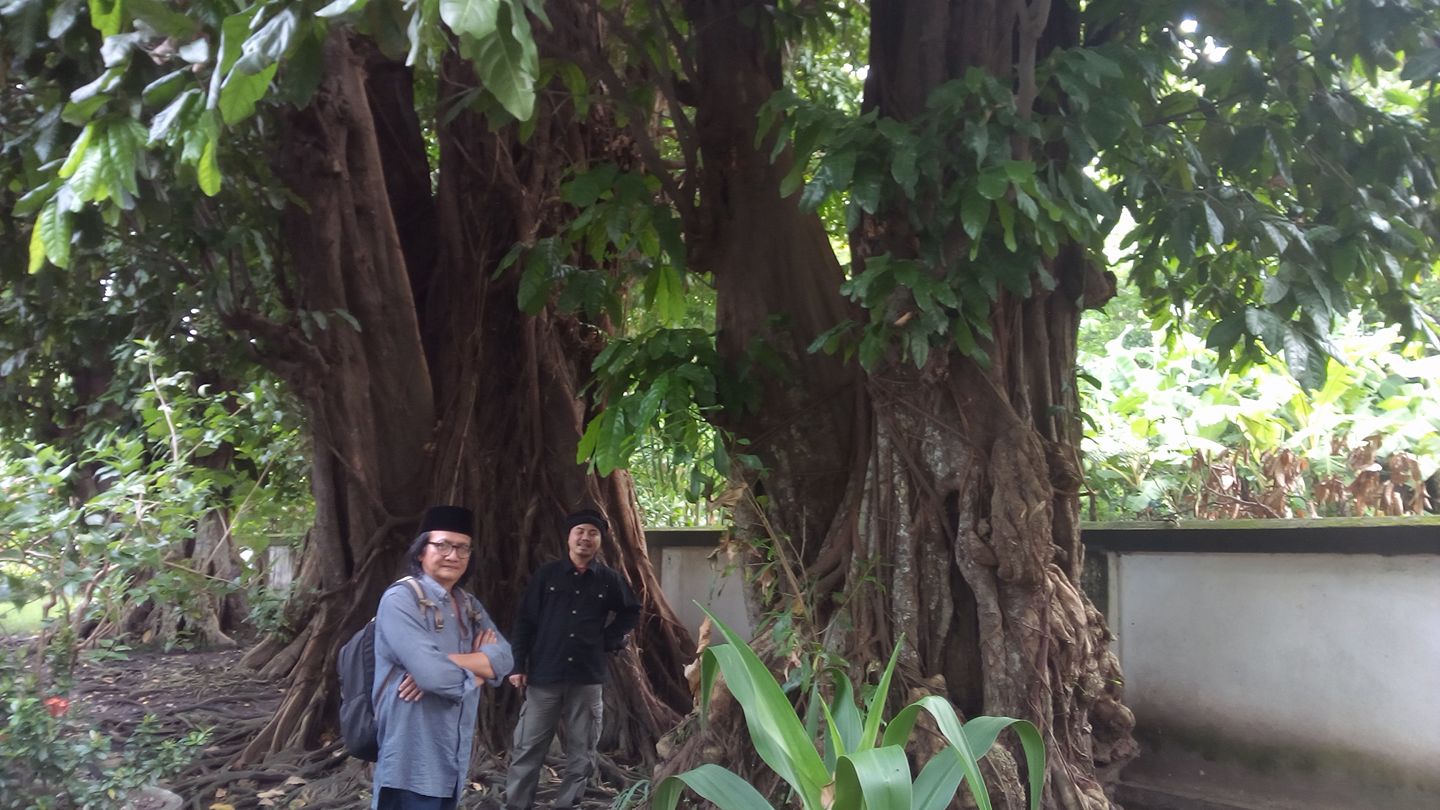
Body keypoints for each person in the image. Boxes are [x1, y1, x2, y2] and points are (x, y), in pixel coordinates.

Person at [372, 505, 513, 810]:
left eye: (462, 548)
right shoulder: (400, 599)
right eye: (443, 545)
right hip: (411, 762)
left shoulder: (468, 604)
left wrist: (450, 662)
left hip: (453, 759)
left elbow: (504, 658)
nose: (453, 555)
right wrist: (479, 668)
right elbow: (435, 678)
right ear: (422, 551)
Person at [504, 508, 640, 810]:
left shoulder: (608, 580)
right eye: (580, 531)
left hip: (587, 677)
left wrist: (609, 638)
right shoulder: (547, 576)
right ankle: (516, 805)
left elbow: (631, 610)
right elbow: (525, 621)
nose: (586, 538)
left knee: (583, 751)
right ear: (569, 537)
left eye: (593, 533)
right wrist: (518, 664)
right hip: (544, 676)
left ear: (600, 540)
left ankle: (568, 804)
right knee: (528, 748)